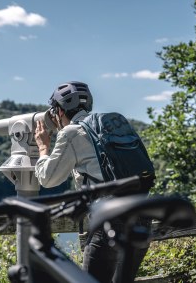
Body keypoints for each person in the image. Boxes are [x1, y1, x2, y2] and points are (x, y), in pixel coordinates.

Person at [34, 81, 150, 283]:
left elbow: (47, 179)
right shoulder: (109, 127)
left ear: (60, 112)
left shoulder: (72, 133)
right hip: (141, 217)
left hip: (110, 221)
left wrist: (43, 148)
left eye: (55, 111)